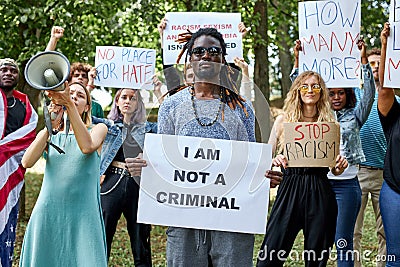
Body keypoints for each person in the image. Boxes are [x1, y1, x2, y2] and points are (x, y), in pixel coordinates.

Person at [136, 27, 257, 266]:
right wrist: (145, 166)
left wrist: (264, 176)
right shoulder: (171, 106)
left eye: (213, 51)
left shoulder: (241, 108)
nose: (206, 56)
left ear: (223, 59)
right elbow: (164, 161)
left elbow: (250, 160)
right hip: (184, 218)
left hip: (231, 217)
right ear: (189, 58)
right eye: (198, 51)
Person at [291, 39, 375, 266]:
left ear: (348, 95)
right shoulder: (315, 117)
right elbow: (298, 88)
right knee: (317, 240)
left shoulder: (355, 117)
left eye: (341, 93)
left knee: (342, 241)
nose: (336, 97)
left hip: (346, 186)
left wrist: (363, 59)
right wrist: (298, 59)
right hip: (318, 184)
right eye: (331, 93)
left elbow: (369, 93)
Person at [257, 70, 349, 267]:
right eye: (304, 86)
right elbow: (266, 157)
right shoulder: (283, 121)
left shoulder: (330, 124)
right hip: (290, 187)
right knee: (269, 256)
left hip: (320, 189)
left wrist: (340, 166)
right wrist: (276, 159)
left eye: (315, 86)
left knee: (316, 259)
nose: (310, 90)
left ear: (321, 92)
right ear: (297, 90)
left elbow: (334, 169)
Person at [19, 82, 108, 266]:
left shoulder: (98, 129)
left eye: (79, 95)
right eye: (70, 93)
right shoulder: (52, 134)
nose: (73, 96)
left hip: (83, 215)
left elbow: (86, 147)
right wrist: (49, 126)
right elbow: (26, 162)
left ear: (87, 106)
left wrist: (68, 103)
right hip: (49, 212)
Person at [92, 88, 156, 266]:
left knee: (140, 235)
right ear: (117, 102)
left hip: (137, 183)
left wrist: (158, 90)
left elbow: (169, 128)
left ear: (138, 104)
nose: (128, 101)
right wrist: (88, 86)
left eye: (133, 98)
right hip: (112, 181)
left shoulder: (149, 128)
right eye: (124, 97)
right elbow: (84, 116)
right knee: (103, 231)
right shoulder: (107, 126)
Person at [353, 47, 392, 267]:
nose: (376, 67)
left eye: (380, 63)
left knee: (386, 230)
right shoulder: (356, 96)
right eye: (372, 63)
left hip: (385, 175)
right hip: (357, 171)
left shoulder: (395, 102)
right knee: (353, 231)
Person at [0, 58, 38, 267]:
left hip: (10, 171)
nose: (8, 73)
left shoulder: (24, 105)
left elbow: (28, 135)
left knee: (5, 221)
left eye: (13, 71)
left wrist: (3, 150)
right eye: (3, 69)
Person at [377, 22, 400, 267]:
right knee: (396, 256)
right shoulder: (395, 114)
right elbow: (384, 89)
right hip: (395, 192)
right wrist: (387, 46)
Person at [46, 26, 105, 118]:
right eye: (76, 75)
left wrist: (90, 84)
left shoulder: (96, 107)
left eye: (84, 76)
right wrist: (53, 39)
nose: (80, 78)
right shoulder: (59, 99)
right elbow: (45, 66)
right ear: (69, 80)